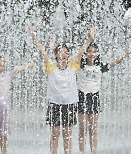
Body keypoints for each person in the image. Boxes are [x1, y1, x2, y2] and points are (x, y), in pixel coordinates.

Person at [28, 26, 94, 154]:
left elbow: (81, 52)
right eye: (60, 52)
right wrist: (34, 38)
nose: (63, 54)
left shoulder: (73, 67)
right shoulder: (51, 67)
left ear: (68, 55)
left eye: (65, 52)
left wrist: (90, 39)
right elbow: (42, 51)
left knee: (67, 135)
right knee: (55, 135)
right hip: (54, 105)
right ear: (56, 55)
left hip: (69, 106)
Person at [77, 31, 131, 154]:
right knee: (83, 129)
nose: (92, 54)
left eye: (94, 51)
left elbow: (115, 62)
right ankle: (82, 152)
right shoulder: (80, 65)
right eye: (89, 51)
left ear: (97, 54)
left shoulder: (100, 67)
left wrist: (127, 53)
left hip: (94, 97)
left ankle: (94, 152)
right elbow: (79, 53)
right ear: (86, 53)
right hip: (82, 97)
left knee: (93, 129)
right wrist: (89, 39)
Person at [0, 57, 35, 154]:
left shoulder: (7, 75)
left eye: (3, 65)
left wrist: (28, 65)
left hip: (4, 111)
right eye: (0, 65)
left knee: (4, 134)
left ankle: (4, 152)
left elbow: (18, 69)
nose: (2, 67)